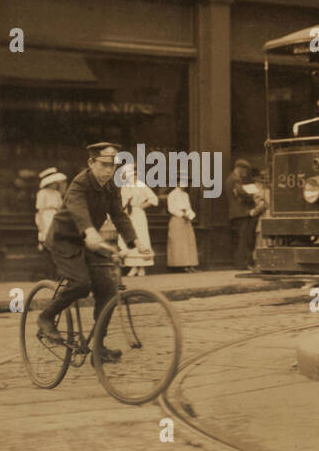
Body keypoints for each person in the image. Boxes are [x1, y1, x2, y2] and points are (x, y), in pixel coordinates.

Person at [36, 142, 152, 362]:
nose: (109, 170)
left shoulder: (112, 185)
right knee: (81, 283)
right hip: (65, 240)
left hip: (90, 240)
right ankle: (46, 316)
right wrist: (89, 231)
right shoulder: (79, 183)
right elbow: (78, 209)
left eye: (114, 166)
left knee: (108, 288)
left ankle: (98, 347)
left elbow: (118, 215)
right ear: (91, 163)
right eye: (104, 165)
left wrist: (136, 242)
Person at [224, 158, 265, 270]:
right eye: (245, 171)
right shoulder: (236, 179)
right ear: (240, 169)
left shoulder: (230, 178)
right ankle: (242, 264)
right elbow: (241, 193)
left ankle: (241, 263)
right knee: (244, 239)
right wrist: (254, 195)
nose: (246, 174)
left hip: (235, 213)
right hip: (242, 213)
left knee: (240, 238)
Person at [117, 164, 157, 277]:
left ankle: (142, 267)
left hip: (138, 214)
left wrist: (142, 206)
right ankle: (133, 266)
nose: (132, 176)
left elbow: (154, 199)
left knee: (141, 237)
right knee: (130, 238)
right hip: (127, 215)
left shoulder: (140, 185)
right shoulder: (123, 187)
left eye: (134, 173)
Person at [166, 180, 198, 271]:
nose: (184, 185)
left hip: (186, 220)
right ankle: (181, 265)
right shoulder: (172, 194)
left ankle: (190, 264)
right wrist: (181, 214)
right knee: (179, 243)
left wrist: (190, 215)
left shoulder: (185, 195)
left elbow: (188, 207)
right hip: (177, 219)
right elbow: (171, 208)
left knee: (188, 242)